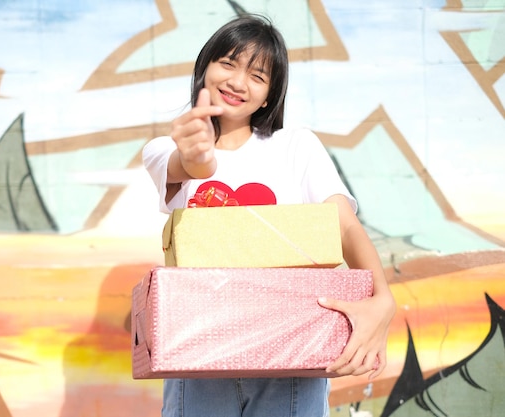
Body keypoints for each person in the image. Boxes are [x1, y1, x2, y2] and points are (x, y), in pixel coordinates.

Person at [142, 14, 396, 417]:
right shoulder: (164, 147)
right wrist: (197, 156)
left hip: (293, 351)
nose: (238, 82)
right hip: (201, 351)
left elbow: (344, 224)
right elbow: (190, 165)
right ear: (204, 68)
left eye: (257, 76)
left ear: (268, 96)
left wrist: (383, 299)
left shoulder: (297, 146)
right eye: (227, 63)